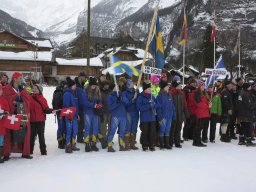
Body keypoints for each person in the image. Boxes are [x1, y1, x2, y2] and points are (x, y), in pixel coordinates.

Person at [3, 72, 33, 160]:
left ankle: (25, 153)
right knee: (8, 132)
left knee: (26, 131)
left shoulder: (22, 89)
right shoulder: (7, 89)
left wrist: (21, 103)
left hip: (22, 113)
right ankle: (6, 153)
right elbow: (5, 100)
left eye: (21, 78)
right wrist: (13, 102)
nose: (21, 80)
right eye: (20, 78)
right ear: (14, 79)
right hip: (11, 114)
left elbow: (28, 100)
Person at [30, 84, 53, 155]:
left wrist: (51, 110)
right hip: (32, 120)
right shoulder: (29, 98)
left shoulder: (43, 99)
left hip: (41, 121)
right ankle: (30, 151)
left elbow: (46, 109)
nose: (34, 90)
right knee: (32, 136)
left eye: (36, 88)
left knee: (41, 136)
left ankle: (43, 151)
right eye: (33, 88)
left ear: (39, 90)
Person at [83, 77, 103, 152]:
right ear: (90, 85)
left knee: (95, 128)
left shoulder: (97, 91)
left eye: (95, 85)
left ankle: (94, 144)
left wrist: (99, 104)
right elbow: (84, 102)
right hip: (88, 112)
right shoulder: (85, 91)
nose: (94, 86)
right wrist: (94, 105)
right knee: (87, 129)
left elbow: (99, 100)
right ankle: (87, 144)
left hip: (95, 112)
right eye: (92, 85)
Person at [107, 84, 129, 152]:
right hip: (115, 116)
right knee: (112, 131)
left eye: (118, 88)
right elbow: (110, 107)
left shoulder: (122, 94)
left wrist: (122, 98)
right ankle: (109, 145)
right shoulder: (110, 96)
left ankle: (121, 145)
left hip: (123, 116)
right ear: (113, 89)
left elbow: (127, 102)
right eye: (115, 87)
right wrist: (117, 102)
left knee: (122, 131)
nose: (117, 89)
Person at [137, 82, 157, 151]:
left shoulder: (152, 96)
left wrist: (154, 105)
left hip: (152, 117)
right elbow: (139, 107)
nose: (150, 90)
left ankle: (151, 144)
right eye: (149, 88)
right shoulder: (141, 97)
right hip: (145, 118)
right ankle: (144, 144)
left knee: (152, 132)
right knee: (145, 132)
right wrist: (149, 105)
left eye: (150, 88)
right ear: (145, 89)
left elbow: (156, 105)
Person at [157, 81, 176, 149]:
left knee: (167, 130)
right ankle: (161, 144)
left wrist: (174, 114)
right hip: (163, 116)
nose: (168, 87)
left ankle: (166, 144)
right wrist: (160, 117)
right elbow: (158, 107)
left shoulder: (169, 94)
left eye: (168, 86)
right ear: (163, 87)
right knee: (162, 130)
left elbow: (172, 105)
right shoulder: (160, 95)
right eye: (167, 86)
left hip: (169, 116)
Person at [170, 80, 189, 148]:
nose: (180, 87)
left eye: (180, 85)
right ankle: (170, 142)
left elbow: (185, 104)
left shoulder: (182, 94)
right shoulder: (171, 93)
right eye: (179, 85)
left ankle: (177, 142)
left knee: (178, 129)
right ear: (175, 86)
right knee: (172, 129)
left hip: (180, 114)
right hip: (173, 115)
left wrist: (186, 113)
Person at [63, 77, 79, 153]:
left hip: (75, 116)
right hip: (69, 116)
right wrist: (69, 116)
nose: (75, 86)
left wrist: (77, 114)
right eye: (74, 85)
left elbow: (75, 105)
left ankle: (73, 144)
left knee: (75, 130)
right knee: (69, 130)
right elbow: (66, 106)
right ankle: (68, 145)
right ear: (71, 86)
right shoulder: (67, 94)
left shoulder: (73, 93)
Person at [123, 79, 139, 150]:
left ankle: (132, 144)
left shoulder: (135, 91)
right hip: (128, 112)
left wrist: (138, 94)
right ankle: (126, 144)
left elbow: (139, 101)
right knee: (128, 128)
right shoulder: (124, 93)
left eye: (133, 83)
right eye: (131, 83)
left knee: (134, 128)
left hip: (135, 112)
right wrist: (133, 99)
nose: (132, 84)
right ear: (128, 84)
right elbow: (126, 103)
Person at [193, 81, 210, 147]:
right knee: (198, 128)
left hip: (205, 113)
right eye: (202, 86)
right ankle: (197, 141)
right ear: (199, 86)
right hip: (200, 113)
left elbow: (206, 102)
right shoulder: (197, 93)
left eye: (204, 86)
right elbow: (198, 104)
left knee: (201, 128)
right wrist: (207, 106)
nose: (203, 87)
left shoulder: (205, 93)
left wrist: (209, 103)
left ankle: (197, 141)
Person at [52, 80, 67, 149]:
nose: (66, 86)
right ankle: (60, 142)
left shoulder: (65, 91)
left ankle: (63, 140)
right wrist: (58, 110)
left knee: (64, 127)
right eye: (65, 85)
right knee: (61, 127)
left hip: (65, 112)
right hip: (60, 112)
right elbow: (55, 103)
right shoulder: (58, 92)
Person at [76, 72, 87, 143]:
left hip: (83, 108)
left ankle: (80, 137)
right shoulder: (76, 86)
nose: (85, 79)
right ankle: (79, 138)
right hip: (78, 108)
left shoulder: (83, 85)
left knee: (82, 124)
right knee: (79, 124)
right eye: (83, 77)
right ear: (80, 77)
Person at [0, 84, 10, 163]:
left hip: (1, 124)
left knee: (1, 140)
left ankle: (0, 156)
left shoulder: (4, 100)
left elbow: (7, 111)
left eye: (0, 90)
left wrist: (4, 114)